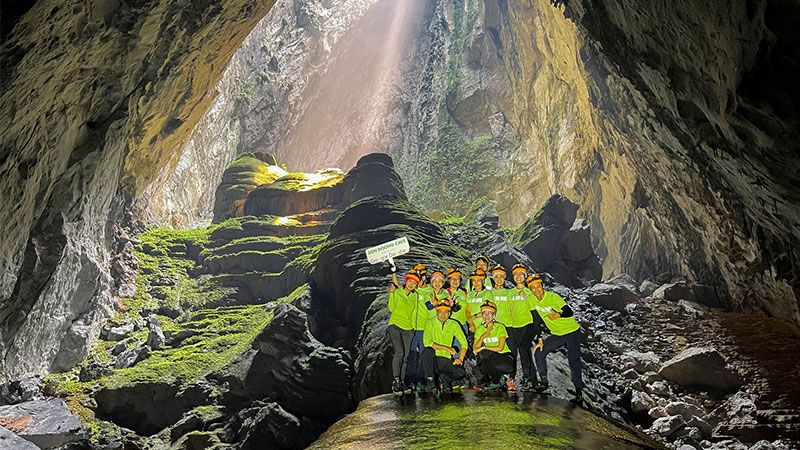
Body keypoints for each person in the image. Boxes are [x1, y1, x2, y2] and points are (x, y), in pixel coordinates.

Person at [529, 274, 584, 403]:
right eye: (533, 288)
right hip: (557, 334)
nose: (536, 290)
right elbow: (536, 320)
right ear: (530, 289)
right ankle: (544, 382)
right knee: (539, 352)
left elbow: (569, 311)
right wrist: (539, 339)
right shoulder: (531, 299)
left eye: (538, 286)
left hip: (572, 331)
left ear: (543, 286)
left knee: (573, 360)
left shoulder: (553, 297)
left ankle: (579, 393)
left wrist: (558, 315)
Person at [507, 263, 541, 391]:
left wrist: (526, 297)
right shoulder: (511, 293)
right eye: (516, 274)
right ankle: (533, 381)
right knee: (525, 351)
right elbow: (511, 309)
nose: (518, 276)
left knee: (523, 347)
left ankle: (526, 377)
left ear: (525, 276)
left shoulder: (529, 291)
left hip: (529, 324)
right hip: (516, 325)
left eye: (521, 274)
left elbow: (535, 309)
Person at [422, 299, 467, 394]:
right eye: (440, 312)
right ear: (436, 312)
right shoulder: (430, 322)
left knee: (461, 371)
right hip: (432, 360)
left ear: (449, 313)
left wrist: (460, 359)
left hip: (445, 360)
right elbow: (427, 342)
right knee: (427, 351)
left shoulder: (454, 324)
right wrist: (447, 348)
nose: (443, 315)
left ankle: (446, 380)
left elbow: (464, 343)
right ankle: (431, 381)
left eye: (446, 312)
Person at [388, 270, 420, 396]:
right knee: (399, 352)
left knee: (406, 356)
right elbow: (391, 308)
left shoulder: (415, 296)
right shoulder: (398, 292)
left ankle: (402, 381)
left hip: (408, 329)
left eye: (414, 283)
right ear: (406, 281)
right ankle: (396, 381)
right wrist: (392, 293)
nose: (411, 284)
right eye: (410, 281)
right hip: (395, 325)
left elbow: (415, 312)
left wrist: (413, 328)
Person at [473, 300, 515, 390]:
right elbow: (475, 348)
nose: (487, 316)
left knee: (484, 353)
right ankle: (496, 381)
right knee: (476, 369)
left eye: (489, 313)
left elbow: (500, 348)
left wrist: (484, 347)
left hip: (504, 358)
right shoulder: (480, 329)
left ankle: (501, 379)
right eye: (484, 313)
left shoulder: (500, 327)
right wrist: (483, 336)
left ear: (493, 315)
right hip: (490, 358)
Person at [407, 264, 435, 390]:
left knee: (424, 355)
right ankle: (409, 380)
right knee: (411, 355)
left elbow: (430, 308)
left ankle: (421, 380)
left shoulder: (430, 291)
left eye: (419, 277)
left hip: (424, 328)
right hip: (411, 328)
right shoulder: (412, 290)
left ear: (424, 277)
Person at [464, 269, 491, 334]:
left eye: (478, 280)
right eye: (474, 280)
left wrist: (473, 317)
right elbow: (467, 310)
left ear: (482, 281)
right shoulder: (470, 294)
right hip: (471, 327)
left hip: (484, 326)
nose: (476, 283)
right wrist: (471, 323)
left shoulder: (487, 293)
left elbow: (487, 311)